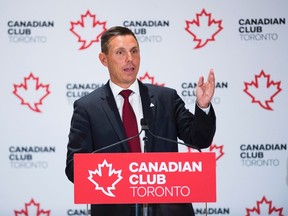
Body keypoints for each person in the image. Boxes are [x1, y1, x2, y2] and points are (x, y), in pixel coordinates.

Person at [65, 26, 216, 216]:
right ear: (104, 59)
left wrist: (203, 107)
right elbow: (74, 168)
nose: (130, 59)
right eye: (120, 52)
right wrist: (113, 176)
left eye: (134, 51)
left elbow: (199, 140)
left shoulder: (166, 99)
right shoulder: (87, 108)